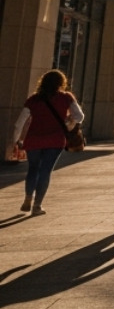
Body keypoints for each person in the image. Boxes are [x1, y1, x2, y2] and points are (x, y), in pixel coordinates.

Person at [9, 70, 85, 216]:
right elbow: (80, 116)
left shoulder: (33, 99)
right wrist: (69, 121)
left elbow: (19, 123)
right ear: (61, 82)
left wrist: (17, 140)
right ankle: (37, 206)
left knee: (33, 169)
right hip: (55, 140)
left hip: (34, 140)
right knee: (45, 171)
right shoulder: (66, 97)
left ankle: (27, 198)